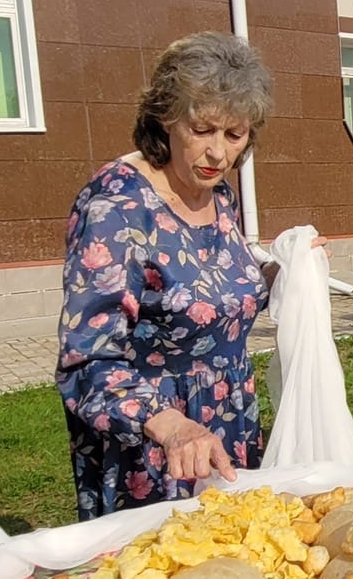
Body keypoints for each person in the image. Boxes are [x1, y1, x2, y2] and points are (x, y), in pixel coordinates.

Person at [57, 33, 276, 520]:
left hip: (228, 423)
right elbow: (86, 360)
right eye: (202, 129)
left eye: (234, 136)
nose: (218, 154)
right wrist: (171, 426)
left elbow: (208, 297)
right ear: (166, 118)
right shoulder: (118, 208)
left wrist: (285, 274)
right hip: (155, 443)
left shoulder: (218, 195)